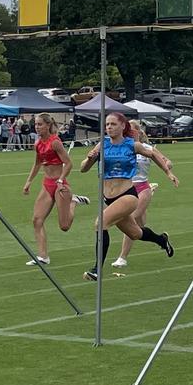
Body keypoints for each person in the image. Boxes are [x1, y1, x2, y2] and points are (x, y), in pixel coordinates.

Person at [77, 113, 176, 280]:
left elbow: (153, 154)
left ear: (123, 126)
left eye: (113, 124)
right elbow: (83, 169)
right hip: (108, 197)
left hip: (128, 196)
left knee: (100, 223)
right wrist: (89, 159)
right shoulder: (102, 145)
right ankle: (161, 240)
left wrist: (168, 172)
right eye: (107, 124)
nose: (109, 127)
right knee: (135, 233)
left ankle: (96, 270)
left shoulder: (132, 145)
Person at [22, 113, 92, 266]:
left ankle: (73, 201)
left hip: (60, 185)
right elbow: (37, 164)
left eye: (40, 124)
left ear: (48, 125)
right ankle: (43, 256)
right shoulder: (38, 144)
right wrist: (28, 182)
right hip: (47, 184)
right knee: (36, 220)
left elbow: (69, 163)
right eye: (36, 125)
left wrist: (60, 180)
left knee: (64, 226)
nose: (37, 127)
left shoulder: (55, 142)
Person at [112, 121, 177, 268]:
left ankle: (122, 258)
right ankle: (161, 240)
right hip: (126, 190)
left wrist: (167, 169)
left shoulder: (147, 148)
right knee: (139, 228)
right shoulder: (124, 148)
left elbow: (167, 161)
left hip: (142, 188)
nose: (127, 132)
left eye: (131, 130)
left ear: (138, 133)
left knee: (130, 220)